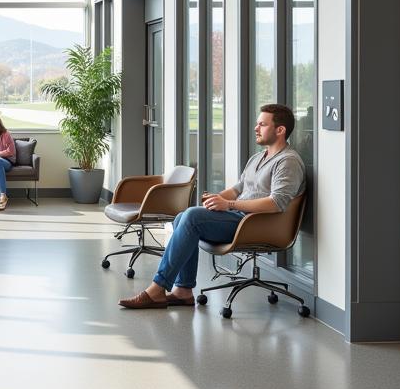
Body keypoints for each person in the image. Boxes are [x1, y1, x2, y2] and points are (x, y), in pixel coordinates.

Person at [119, 103, 306, 309]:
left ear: (280, 130)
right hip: (239, 217)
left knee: (191, 217)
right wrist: (217, 199)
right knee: (183, 216)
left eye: (262, 124)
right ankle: (183, 290)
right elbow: (238, 188)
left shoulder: (288, 162)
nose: (256, 128)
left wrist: (228, 204)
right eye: (257, 123)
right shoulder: (258, 157)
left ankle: (157, 288)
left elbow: (276, 203)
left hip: (257, 224)